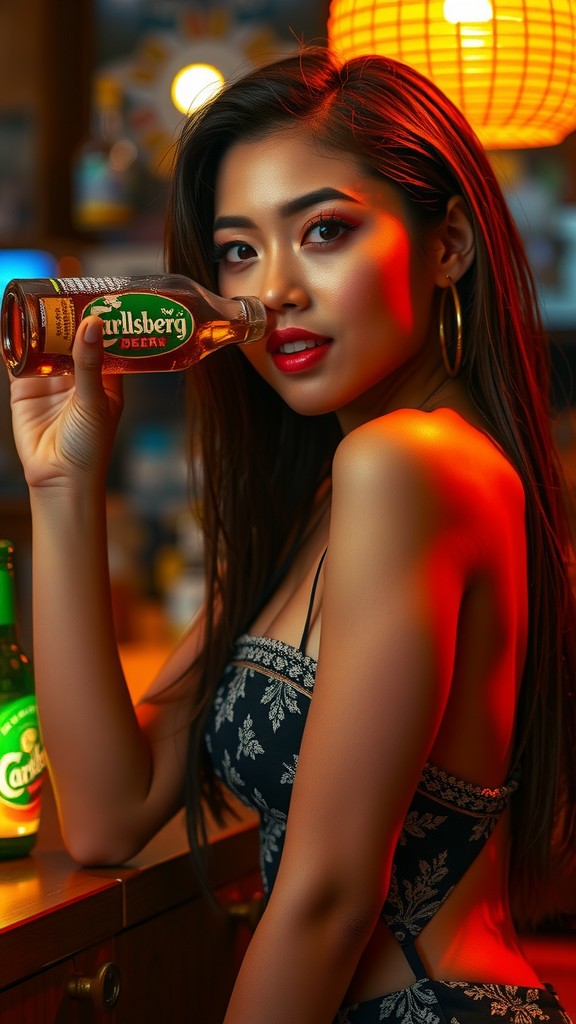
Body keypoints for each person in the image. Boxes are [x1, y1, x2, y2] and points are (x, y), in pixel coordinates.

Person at [7, 46, 576, 1024]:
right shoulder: (331, 497)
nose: (272, 294)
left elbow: (326, 896)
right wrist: (63, 482)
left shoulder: (409, 465)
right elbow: (107, 811)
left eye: (324, 231)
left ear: (447, 247)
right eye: (238, 249)